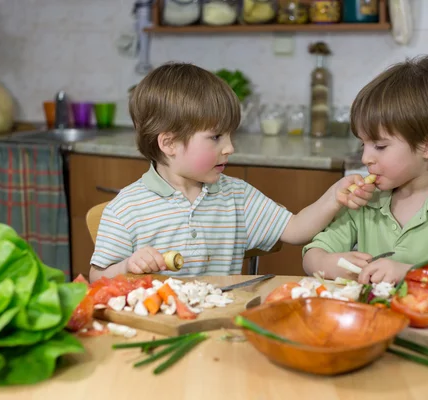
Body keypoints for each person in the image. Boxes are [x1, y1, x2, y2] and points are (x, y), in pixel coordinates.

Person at [89, 62, 371, 282]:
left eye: (230, 136)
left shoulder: (236, 195)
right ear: (170, 143)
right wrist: (127, 266)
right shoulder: (127, 208)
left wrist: (334, 197)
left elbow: (296, 230)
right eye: (216, 138)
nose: (229, 148)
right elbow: (96, 279)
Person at [302, 55, 428, 297]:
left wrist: (410, 273)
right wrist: (328, 264)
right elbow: (313, 253)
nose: (366, 158)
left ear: (427, 147)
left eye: (380, 146)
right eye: (363, 145)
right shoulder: (368, 199)